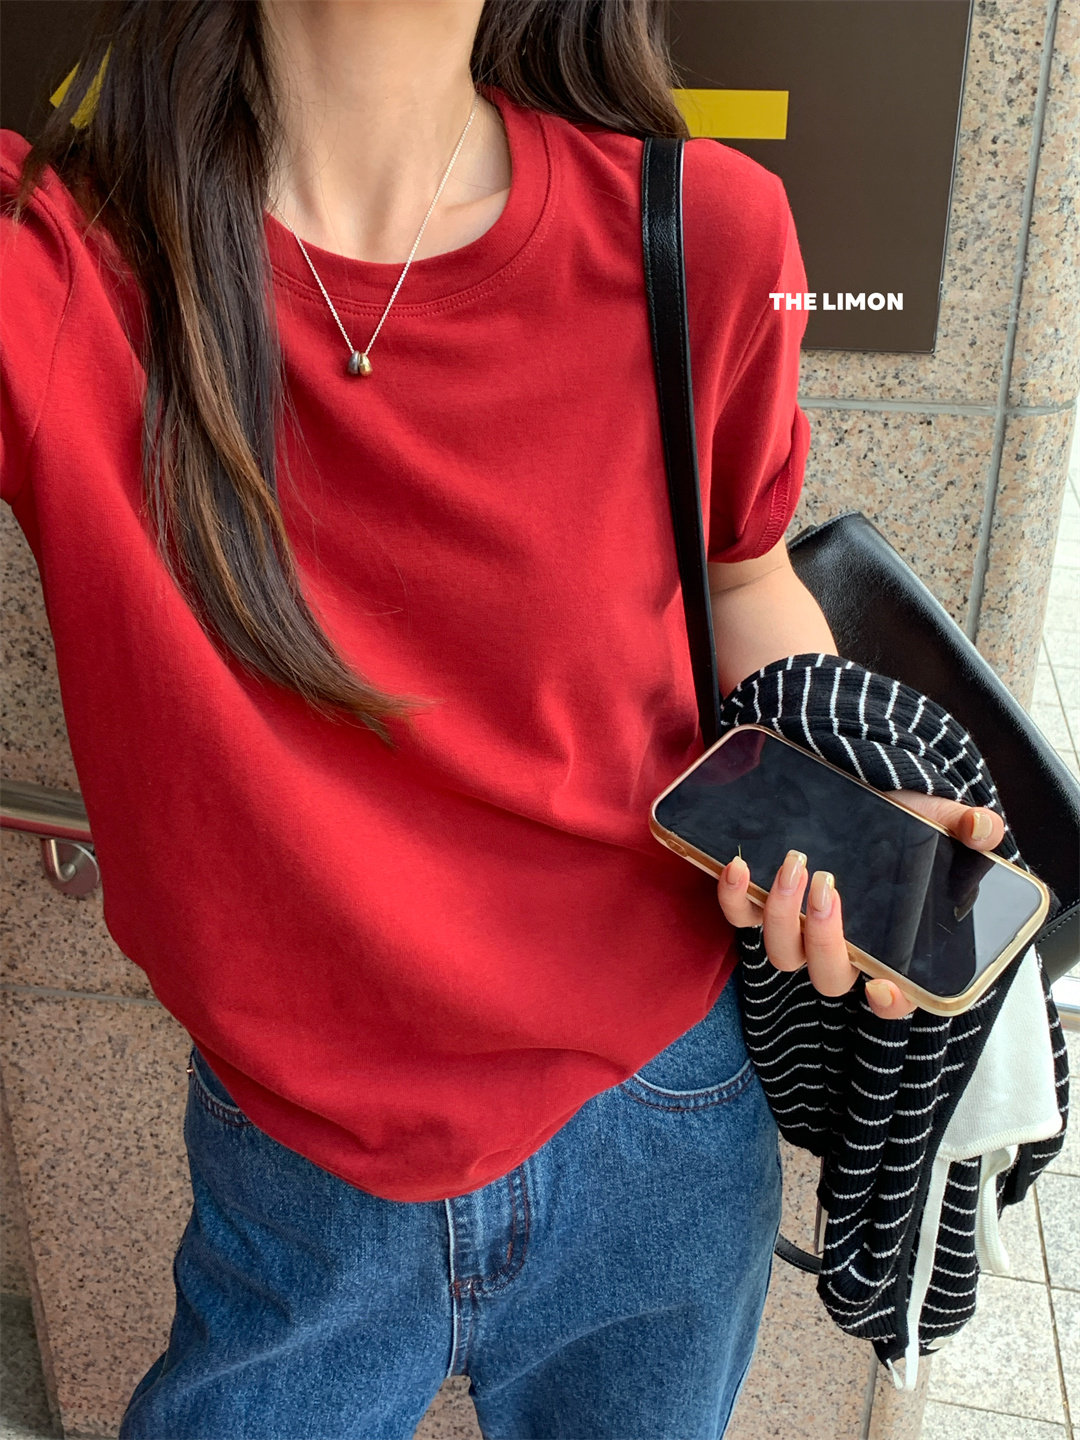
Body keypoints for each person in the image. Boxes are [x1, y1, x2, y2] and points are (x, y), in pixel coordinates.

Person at [0, 2, 1006, 1436]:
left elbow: (740, 578)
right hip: (298, 1170)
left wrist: (847, 801)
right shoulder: (59, 270)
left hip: (663, 1118)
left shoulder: (703, 231)